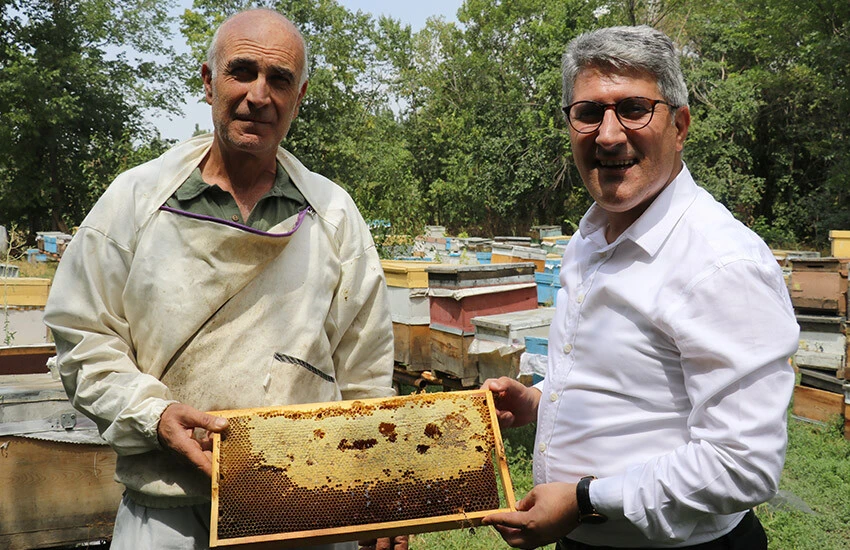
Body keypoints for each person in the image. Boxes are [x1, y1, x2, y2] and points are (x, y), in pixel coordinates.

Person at [44, 9, 405, 550]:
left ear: (299, 96)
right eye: (242, 72)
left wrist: (379, 489)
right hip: (165, 511)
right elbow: (81, 336)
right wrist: (155, 414)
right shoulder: (136, 199)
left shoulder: (333, 214)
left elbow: (366, 370)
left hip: (305, 508)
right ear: (209, 81)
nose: (259, 95)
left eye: (279, 80)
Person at [482, 25, 799, 550]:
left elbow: (745, 466)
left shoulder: (721, 261)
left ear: (680, 124)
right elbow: (633, 385)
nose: (608, 134)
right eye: (588, 113)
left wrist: (585, 499)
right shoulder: (591, 235)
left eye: (633, 108)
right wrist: (539, 401)